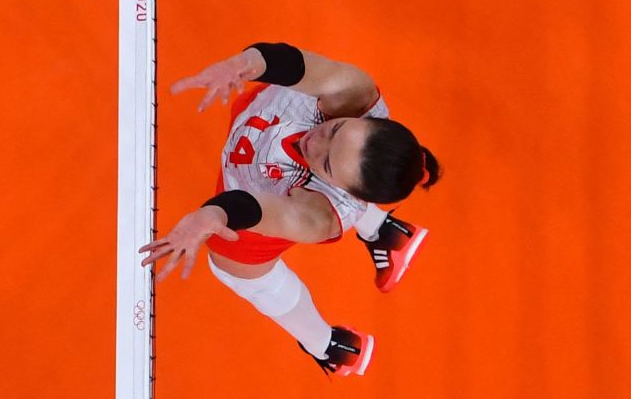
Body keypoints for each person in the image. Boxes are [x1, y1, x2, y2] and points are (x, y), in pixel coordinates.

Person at [139, 42, 440, 378]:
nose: (314, 141)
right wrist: (244, 63)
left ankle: (329, 346)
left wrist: (210, 217)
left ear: (341, 190)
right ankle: (386, 232)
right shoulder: (356, 92)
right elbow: (296, 63)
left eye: (325, 163)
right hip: (256, 125)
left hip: (251, 218)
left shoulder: (321, 217)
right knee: (353, 164)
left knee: (243, 276)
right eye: (334, 130)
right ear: (364, 118)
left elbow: (254, 208)